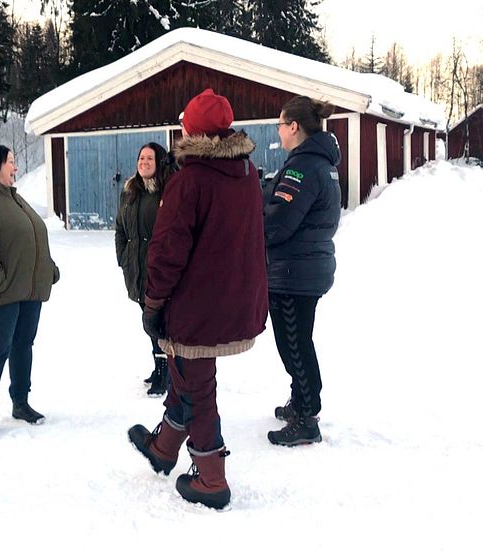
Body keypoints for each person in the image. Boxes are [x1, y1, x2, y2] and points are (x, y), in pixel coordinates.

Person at [127, 89, 268, 510]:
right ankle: (164, 447)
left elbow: (167, 251)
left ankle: (211, 477)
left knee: (197, 388)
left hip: (196, 306)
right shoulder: (246, 173)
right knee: (186, 375)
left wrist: (153, 304)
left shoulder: (189, 180)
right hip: (233, 300)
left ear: (192, 130)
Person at [0, 145, 60, 441]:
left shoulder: (14, 198)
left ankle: (21, 402)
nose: (15, 168)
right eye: (11, 162)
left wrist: (47, 269)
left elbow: (31, 238)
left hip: (27, 292)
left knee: (22, 346)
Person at [262, 95, 341, 446]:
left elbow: (278, 222)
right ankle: (301, 401)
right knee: (297, 339)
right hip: (306, 266)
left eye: (281, 124)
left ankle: (307, 417)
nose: (279, 130)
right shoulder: (320, 163)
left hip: (295, 270)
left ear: (294, 127)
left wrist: (256, 218)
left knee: (293, 343)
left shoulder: (302, 167)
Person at [115, 142, 174, 397]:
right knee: (149, 322)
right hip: (136, 270)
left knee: (160, 323)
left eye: (150, 158)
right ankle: (158, 367)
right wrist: (123, 257)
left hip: (158, 271)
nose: (144, 162)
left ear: (160, 162)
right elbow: (120, 228)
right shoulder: (130, 192)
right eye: (141, 158)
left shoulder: (167, 192)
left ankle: (166, 373)